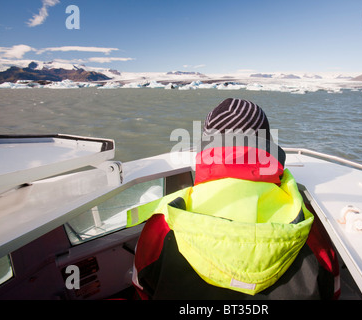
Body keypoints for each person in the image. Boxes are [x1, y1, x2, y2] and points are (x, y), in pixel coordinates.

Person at [128, 98, 339, 300]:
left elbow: (143, 288)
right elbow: (331, 290)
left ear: (207, 146)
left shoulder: (164, 221)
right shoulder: (307, 223)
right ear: (267, 143)